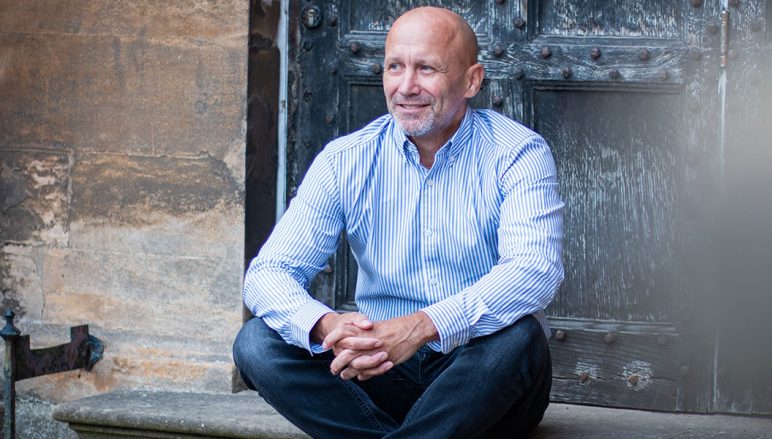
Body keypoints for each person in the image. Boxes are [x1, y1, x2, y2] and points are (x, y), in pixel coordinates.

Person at [232, 6, 565, 438]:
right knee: (257, 344)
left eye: (426, 69)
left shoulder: (518, 153)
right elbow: (267, 274)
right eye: (395, 67)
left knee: (519, 339)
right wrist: (330, 326)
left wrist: (421, 327)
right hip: (381, 369)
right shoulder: (345, 160)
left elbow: (534, 271)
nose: (406, 87)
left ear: (472, 80)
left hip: (476, 373)